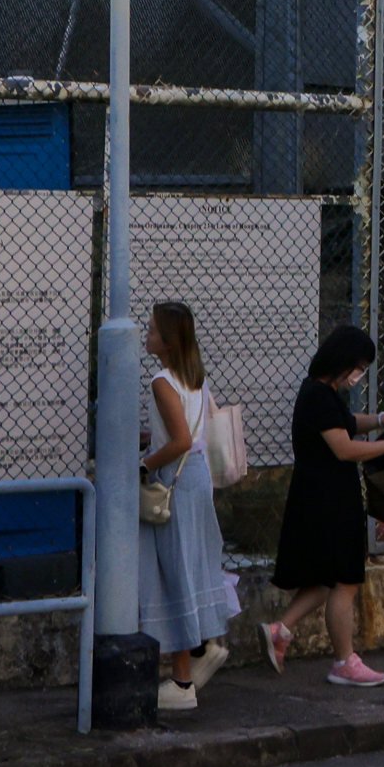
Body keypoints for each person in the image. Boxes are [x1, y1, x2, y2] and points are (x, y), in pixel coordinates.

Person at [264, 324, 384, 688]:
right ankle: (345, 660)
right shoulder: (319, 396)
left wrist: (379, 420)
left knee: (325, 576)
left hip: (322, 495)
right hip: (328, 498)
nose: (359, 376)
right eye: (358, 368)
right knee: (345, 580)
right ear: (342, 361)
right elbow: (344, 447)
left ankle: (280, 629)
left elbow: (344, 426)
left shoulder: (323, 393)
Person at [136, 302, 239, 712]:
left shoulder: (162, 380)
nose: (147, 335)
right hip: (196, 478)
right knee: (192, 562)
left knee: (172, 569)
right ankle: (200, 648)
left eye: (153, 330)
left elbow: (177, 440)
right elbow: (190, 433)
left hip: (174, 480)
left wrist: (142, 464)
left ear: (168, 340)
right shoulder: (194, 378)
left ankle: (181, 681)